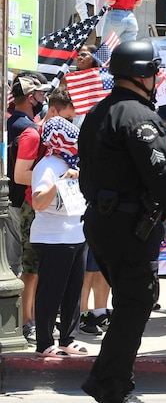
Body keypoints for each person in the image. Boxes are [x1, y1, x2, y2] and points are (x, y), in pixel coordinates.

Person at [79, 40, 166, 403]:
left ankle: (110, 380)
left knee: (131, 303)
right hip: (129, 226)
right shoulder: (140, 118)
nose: (157, 78)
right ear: (142, 75)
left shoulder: (97, 112)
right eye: (154, 72)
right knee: (137, 303)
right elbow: (163, 174)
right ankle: (110, 386)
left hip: (103, 222)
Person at [30, 117, 89, 357]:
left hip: (76, 233)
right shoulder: (46, 166)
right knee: (50, 291)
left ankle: (68, 338)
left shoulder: (72, 163)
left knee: (74, 291)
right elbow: (38, 201)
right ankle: (45, 342)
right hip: (53, 237)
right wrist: (60, 184)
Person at [7, 74, 52, 343]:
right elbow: (21, 172)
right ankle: (21, 321)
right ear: (31, 97)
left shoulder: (16, 123)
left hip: (15, 202)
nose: (43, 99)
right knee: (19, 266)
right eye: (41, 95)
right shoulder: (24, 127)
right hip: (16, 203)